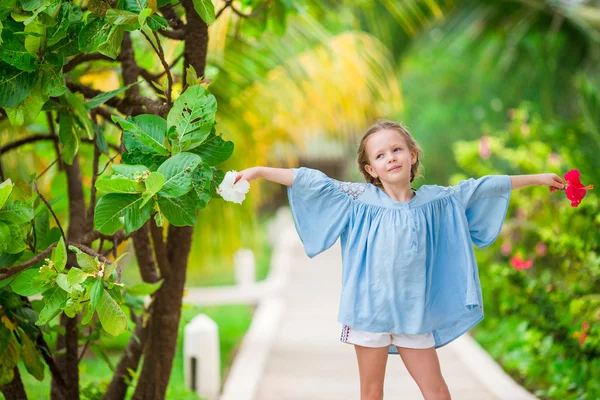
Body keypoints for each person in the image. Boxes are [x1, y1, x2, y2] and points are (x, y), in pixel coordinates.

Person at [234, 120, 565, 400]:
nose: (390, 158)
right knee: (372, 391)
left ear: (412, 154)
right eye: (380, 155)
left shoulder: (438, 200)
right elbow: (309, 180)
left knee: (437, 392)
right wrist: (259, 171)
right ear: (370, 168)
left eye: (396, 150)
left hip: (414, 314)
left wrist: (538, 178)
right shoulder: (357, 199)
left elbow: (483, 187)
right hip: (367, 312)